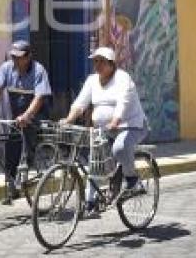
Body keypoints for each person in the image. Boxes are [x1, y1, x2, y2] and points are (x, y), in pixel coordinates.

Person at [60, 46, 148, 215]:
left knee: (120, 148)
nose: (97, 65)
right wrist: (69, 119)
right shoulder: (92, 80)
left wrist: (115, 121)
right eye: (95, 61)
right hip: (105, 129)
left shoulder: (122, 78)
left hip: (131, 126)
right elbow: (80, 103)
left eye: (101, 61)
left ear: (111, 63)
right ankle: (91, 202)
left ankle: (133, 180)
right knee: (95, 162)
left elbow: (123, 101)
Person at [0, 40, 52, 204]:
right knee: (11, 146)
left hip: (36, 113)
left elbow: (39, 98)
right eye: (13, 57)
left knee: (28, 141)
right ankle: (12, 188)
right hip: (16, 116)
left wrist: (27, 115)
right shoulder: (7, 68)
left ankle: (30, 161)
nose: (16, 61)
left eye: (19, 57)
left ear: (28, 56)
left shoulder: (38, 71)